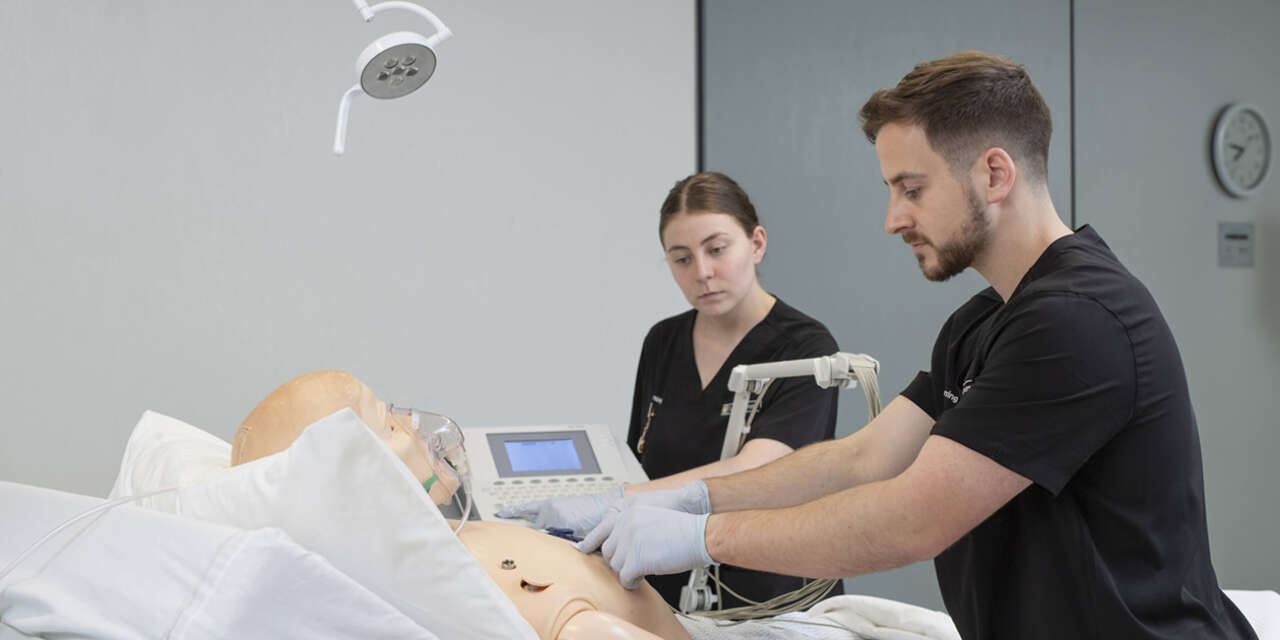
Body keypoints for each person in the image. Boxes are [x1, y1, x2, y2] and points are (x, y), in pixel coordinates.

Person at [578, 51, 1259, 640]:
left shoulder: (1078, 320)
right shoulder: (983, 321)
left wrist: (699, 540)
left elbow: (909, 519)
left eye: (911, 189)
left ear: (994, 174)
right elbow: (864, 459)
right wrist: (686, 499)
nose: (892, 218)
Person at [499, 172, 844, 608]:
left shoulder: (806, 349)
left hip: (771, 597)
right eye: (681, 259)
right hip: (666, 593)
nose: (702, 272)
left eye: (717, 250)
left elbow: (759, 473)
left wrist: (613, 501)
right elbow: (639, 462)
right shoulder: (663, 342)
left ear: (756, 244)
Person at [232, 370, 690, 640]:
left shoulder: (440, 543)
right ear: (353, 485)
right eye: (389, 425)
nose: (412, 426)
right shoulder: (463, 583)